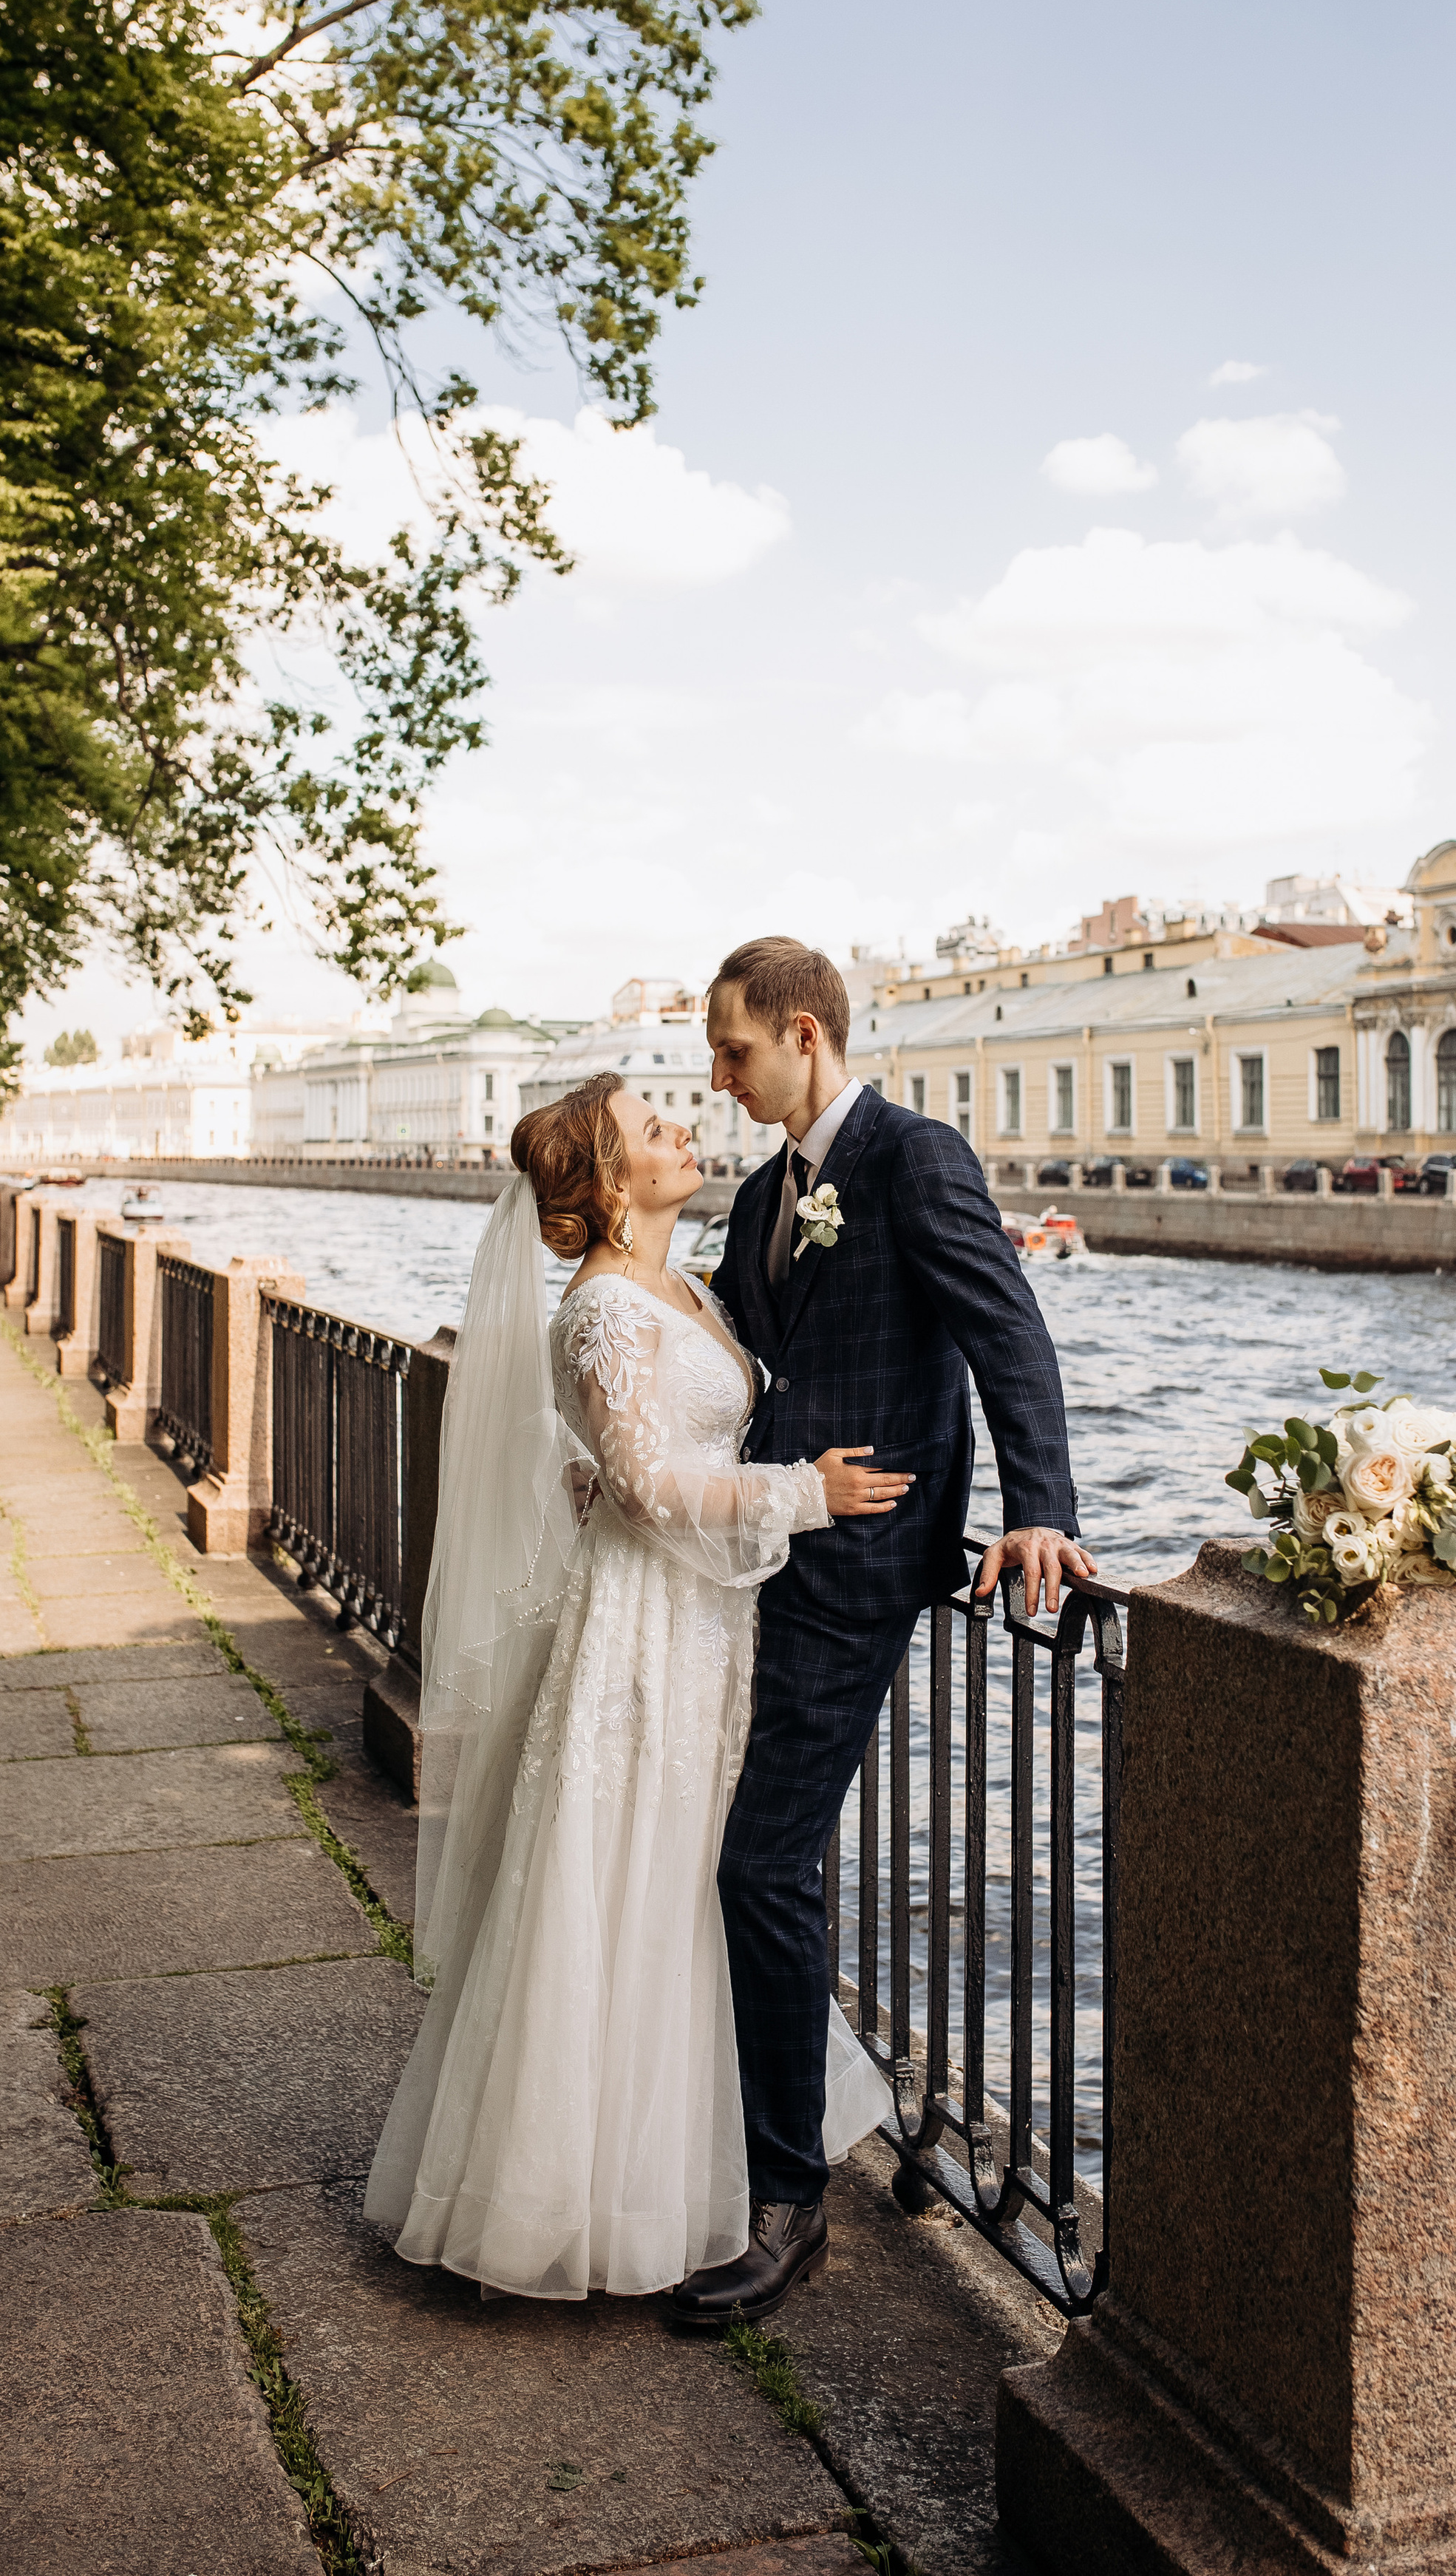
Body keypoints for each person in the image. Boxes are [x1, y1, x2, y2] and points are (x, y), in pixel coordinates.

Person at [363, 1075, 897, 2300]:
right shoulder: (602, 1307)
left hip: (711, 1621)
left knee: (696, 1878)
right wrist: (807, 1493)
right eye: (656, 1130)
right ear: (611, 1184)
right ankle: (584, 2201)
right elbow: (650, 1489)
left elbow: (621, 1462)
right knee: (631, 1876)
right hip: (644, 1627)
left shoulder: (688, 1287)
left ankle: (704, 2165)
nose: (684, 1129)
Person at [669, 937, 1089, 2331]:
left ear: (805, 1034)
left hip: (859, 1566)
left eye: (734, 1050)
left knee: (759, 1864)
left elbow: (1007, 1331)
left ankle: (790, 2204)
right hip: (762, 1551)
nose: (719, 1077)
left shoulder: (914, 1159)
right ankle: (747, 2147)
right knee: (738, 1859)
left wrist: (1040, 1508)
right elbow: (738, 1356)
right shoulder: (760, 1193)